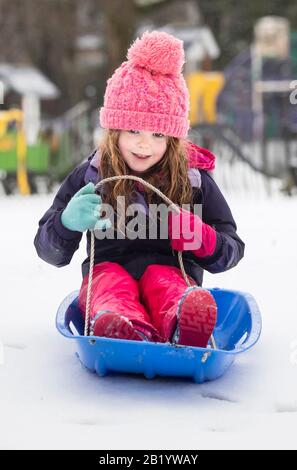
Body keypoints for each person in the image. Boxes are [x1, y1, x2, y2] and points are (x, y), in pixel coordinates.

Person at [34, 31, 245, 347]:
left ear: (173, 138)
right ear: (115, 130)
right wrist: (66, 223)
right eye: (133, 130)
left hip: (172, 273)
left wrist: (203, 238)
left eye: (158, 134)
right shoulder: (94, 176)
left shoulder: (193, 181)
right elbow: (48, 249)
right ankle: (119, 324)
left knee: (167, 284)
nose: (145, 143)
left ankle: (182, 322)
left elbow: (230, 250)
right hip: (108, 271)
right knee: (109, 285)